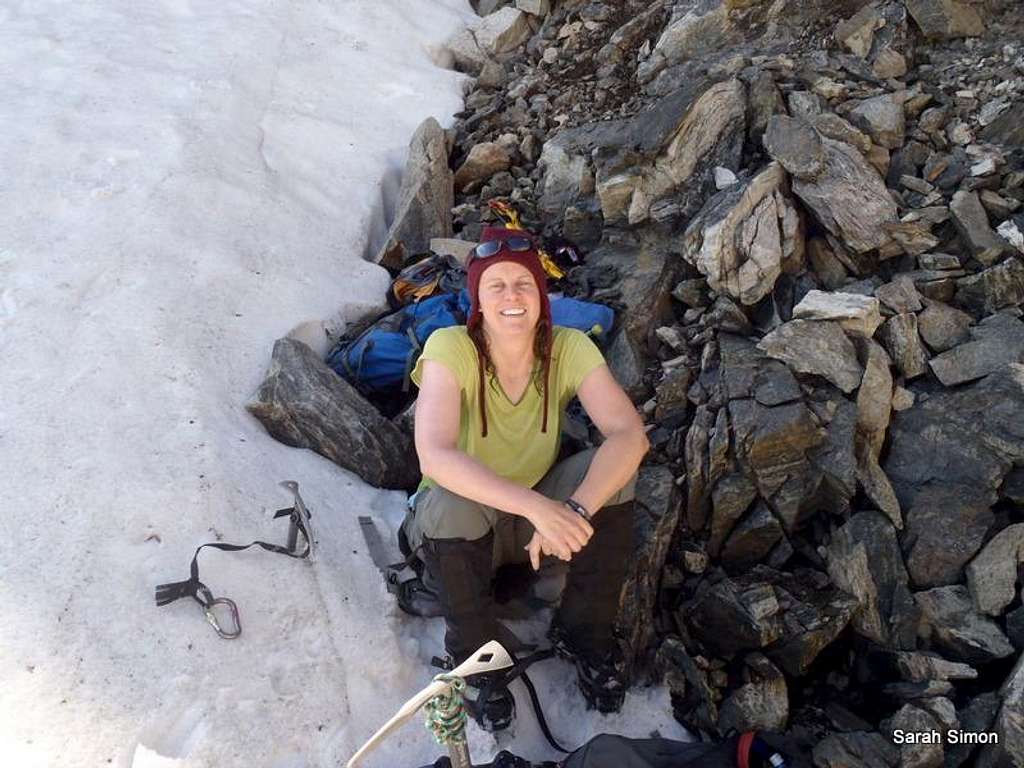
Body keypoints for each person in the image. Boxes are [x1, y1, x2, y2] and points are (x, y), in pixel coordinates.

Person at [400, 226, 649, 730]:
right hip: (464, 525)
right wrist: (538, 508)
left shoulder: (570, 347)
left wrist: (574, 509)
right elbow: (435, 456)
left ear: (541, 295)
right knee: (453, 503)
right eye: (496, 286)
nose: (511, 296)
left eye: (523, 284)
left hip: (532, 523)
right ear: (478, 299)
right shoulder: (450, 347)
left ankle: (586, 633)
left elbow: (630, 435)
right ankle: (476, 659)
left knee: (615, 475)